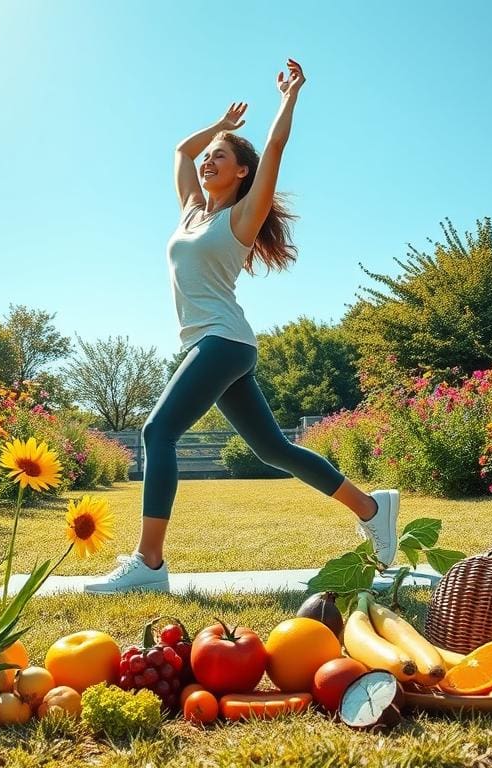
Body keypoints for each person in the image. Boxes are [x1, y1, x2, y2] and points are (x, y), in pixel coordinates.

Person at [85, 59, 398, 594]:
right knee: (273, 450)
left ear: (242, 173)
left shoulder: (241, 219)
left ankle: (149, 564)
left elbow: (272, 149)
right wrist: (219, 125)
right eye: (211, 157)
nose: (208, 160)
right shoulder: (190, 212)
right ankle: (372, 507)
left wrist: (288, 98)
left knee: (158, 432)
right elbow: (181, 151)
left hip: (222, 342)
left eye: (221, 157)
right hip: (209, 344)